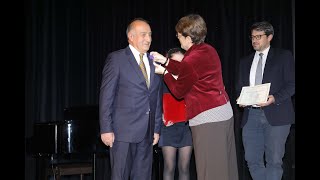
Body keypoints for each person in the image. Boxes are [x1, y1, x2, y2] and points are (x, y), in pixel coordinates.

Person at [151, 14, 239, 180]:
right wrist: (166, 61)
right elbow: (187, 69)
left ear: (188, 37)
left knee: (210, 170)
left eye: (178, 35)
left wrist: (164, 72)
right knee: (225, 166)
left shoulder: (192, 58)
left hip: (208, 118)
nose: (178, 39)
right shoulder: (207, 49)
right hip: (223, 113)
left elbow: (178, 91)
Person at [99, 18, 162, 180]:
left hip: (147, 133)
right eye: (143, 35)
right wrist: (106, 128)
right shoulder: (117, 59)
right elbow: (106, 96)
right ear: (131, 37)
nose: (148, 39)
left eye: (150, 34)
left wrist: (156, 128)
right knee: (120, 176)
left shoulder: (154, 61)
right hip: (122, 133)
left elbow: (155, 97)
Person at [236, 21, 295, 180]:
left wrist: (274, 98)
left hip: (277, 113)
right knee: (252, 159)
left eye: (259, 37)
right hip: (251, 115)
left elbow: (292, 84)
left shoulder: (283, 56)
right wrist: (241, 98)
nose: (254, 40)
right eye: (253, 37)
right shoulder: (245, 61)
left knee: (274, 161)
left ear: (269, 37)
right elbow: (240, 87)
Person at [157, 47, 193, 180]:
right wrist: (161, 116)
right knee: (169, 166)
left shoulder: (189, 79)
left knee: (184, 167)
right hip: (167, 128)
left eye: (181, 62)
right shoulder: (161, 79)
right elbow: (154, 103)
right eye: (174, 61)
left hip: (187, 127)